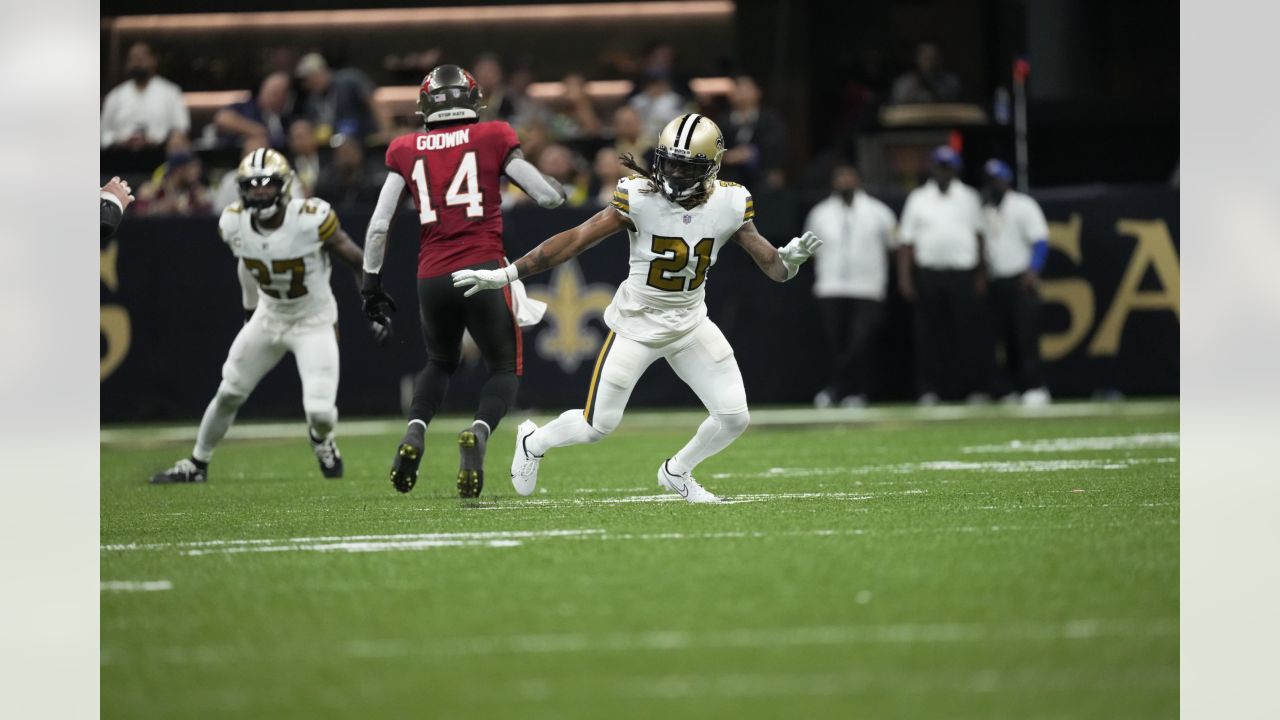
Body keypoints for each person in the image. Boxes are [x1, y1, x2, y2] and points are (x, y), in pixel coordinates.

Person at [452, 113, 823, 504]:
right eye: (670, 162)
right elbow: (576, 239)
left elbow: (775, 269)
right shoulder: (639, 197)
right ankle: (534, 440)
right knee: (598, 426)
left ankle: (677, 471)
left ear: (711, 168)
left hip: (691, 325)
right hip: (636, 325)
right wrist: (508, 274)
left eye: (687, 166)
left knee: (734, 418)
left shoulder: (731, 201)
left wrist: (790, 261)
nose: (675, 173)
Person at [359, 64, 566, 498]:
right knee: (505, 369)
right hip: (484, 269)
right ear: (473, 100)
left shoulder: (404, 147)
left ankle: (416, 431)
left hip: (430, 274)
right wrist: (560, 190)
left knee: (440, 362)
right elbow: (546, 197)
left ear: (424, 106)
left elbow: (379, 225)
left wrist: (371, 283)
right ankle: (479, 432)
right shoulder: (493, 136)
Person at [149, 149, 383, 485]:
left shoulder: (310, 217)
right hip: (269, 315)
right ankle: (197, 463)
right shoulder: (233, 222)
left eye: (267, 184)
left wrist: (371, 302)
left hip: (313, 320)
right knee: (229, 391)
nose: (259, 191)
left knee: (318, 411)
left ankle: (322, 440)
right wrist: (250, 312)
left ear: (284, 186)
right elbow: (247, 265)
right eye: (252, 185)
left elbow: (356, 259)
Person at [896, 145, 986, 404]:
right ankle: (929, 389)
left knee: (967, 333)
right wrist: (905, 278)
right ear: (933, 169)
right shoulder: (918, 198)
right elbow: (906, 242)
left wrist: (980, 274)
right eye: (940, 167)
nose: (944, 172)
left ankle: (972, 388)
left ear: (956, 169)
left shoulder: (969, 197)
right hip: (929, 274)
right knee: (929, 335)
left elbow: (980, 238)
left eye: (949, 167)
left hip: (962, 273)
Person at [804, 164, 898, 408]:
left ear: (859, 180)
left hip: (867, 287)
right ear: (833, 182)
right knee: (836, 343)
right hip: (830, 286)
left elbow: (892, 248)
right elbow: (810, 253)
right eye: (840, 177)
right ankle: (836, 390)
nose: (845, 181)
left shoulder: (880, 212)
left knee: (861, 341)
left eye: (849, 176)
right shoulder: (820, 213)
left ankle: (858, 390)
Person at [981, 159, 1052, 406]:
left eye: (997, 180)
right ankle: (1009, 388)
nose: (993, 185)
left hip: (1021, 279)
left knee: (1026, 336)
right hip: (996, 280)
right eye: (989, 181)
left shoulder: (1023, 205)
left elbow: (1040, 240)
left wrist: (1033, 271)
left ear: (1007, 181)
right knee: (1003, 338)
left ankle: (1035, 386)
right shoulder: (986, 209)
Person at [100, 42, 190, 150]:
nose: (137, 62)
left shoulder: (171, 92)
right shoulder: (115, 96)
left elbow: (181, 127)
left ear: (153, 60)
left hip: (160, 154)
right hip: (120, 156)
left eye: (142, 58)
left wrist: (167, 140)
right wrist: (119, 141)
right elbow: (103, 133)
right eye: (133, 59)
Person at [295, 53, 390, 145]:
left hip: (367, 140)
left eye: (312, 77)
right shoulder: (312, 101)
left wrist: (385, 130)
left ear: (323, 71)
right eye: (307, 80)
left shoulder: (349, 80)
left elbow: (373, 101)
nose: (310, 83)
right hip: (336, 147)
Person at [718, 75, 788, 190]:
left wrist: (752, 153)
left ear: (758, 92)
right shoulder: (722, 122)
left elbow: (778, 146)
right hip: (731, 177)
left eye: (746, 88)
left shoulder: (770, 119)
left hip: (763, 175)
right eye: (738, 89)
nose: (742, 93)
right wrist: (727, 156)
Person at [214, 73, 293, 149]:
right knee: (256, 144)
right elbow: (222, 118)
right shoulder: (247, 107)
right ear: (262, 90)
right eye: (272, 92)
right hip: (237, 156)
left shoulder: (285, 117)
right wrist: (255, 130)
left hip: (282, 158)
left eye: (280, 93)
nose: (275, 97)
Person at [131, 151, 214, 217]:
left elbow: (208, 213)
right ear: (179, 170)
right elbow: (137, 213)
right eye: (192, 168)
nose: (197, 172)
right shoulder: (152, 189)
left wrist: (187, 209)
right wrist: (158, 208)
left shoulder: (198, 192)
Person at [315, 137, 386, 211]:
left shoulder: (373, 180)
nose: (346, 157)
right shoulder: (327, 180)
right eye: (342, 153)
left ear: (360, 153)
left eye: (349, 152)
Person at [890, 41, 962, 105]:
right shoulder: (903, 83)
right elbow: (896, 109)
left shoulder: (950, 82)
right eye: (926, 58)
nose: (930, 62)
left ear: (940, 58)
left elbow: (956, 105)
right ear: (917, 58)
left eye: (933, 57)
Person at [288, 119, 321, 197]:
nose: (301, 141)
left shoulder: (329, 161)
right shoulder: (287, 167)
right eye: (296, 137)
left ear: (314, 136)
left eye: (303, 136)